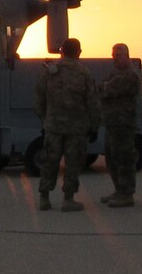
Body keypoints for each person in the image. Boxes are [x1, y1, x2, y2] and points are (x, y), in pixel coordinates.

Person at [34, 38, 101, 211]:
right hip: (76, 128)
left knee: (50, 161)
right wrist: (94, 126)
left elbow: (39, 98)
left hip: (53, 126)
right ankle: (68, 199)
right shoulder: (84, 73)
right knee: (73, 163)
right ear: (79, 52)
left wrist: (45, 119)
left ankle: (44, 198)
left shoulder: (50, 72)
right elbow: (93, 103)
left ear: (62, 51)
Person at [98, 42, 142, 207]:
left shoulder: (130, 75)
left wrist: (103, 88)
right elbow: (104, 88)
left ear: (127, 55)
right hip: (113, 122)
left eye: (118, 55)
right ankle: (118, 190)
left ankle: (126, 194)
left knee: (124, 159)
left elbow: (106, 89)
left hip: (123, 124)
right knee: (112, 157)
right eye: (113, 55)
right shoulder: (116, 72)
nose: (115, 58)